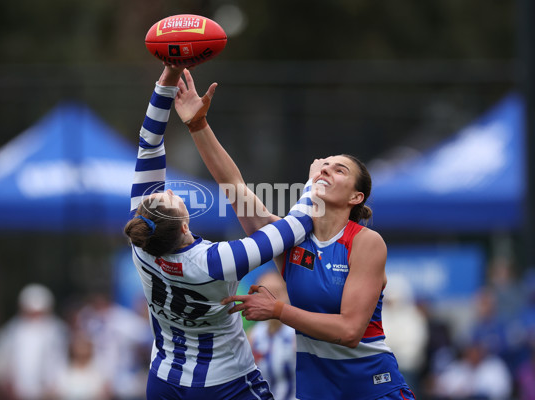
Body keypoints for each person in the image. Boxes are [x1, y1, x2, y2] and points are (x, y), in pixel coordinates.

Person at [175, 68, 416, 399]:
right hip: (316, 392)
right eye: (324, 165)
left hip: (372, 390)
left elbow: (349, 331)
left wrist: (278, 311)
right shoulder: (289, 239)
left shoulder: (364, 241)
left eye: (339, 169)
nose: (326, 169)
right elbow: (234, 187)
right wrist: (197, 125)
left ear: (355, 197)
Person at [123, 64, 315, 400]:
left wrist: (166, 80)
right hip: (225, 384)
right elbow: (292, 228)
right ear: (184, 224)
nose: (168, 189)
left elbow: (148, 144)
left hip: (164, 380)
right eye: (170, 196)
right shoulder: (215, 261)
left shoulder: (143, 245)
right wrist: (317, 183)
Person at [0, 283, 69, 400]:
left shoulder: (58, 330)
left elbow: (63, 359)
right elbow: (0, 357)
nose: (35, 316)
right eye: (30, 312)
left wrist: (57, 385)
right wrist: (5, 380)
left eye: (39, 312)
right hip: (19, 391)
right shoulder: (13, 330)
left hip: (50, 392)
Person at [247, 271, 297, 400]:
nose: (272, 300)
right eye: (264, 295)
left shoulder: (297, 335)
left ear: (288, 294)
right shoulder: (252, 336)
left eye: (277, 292)